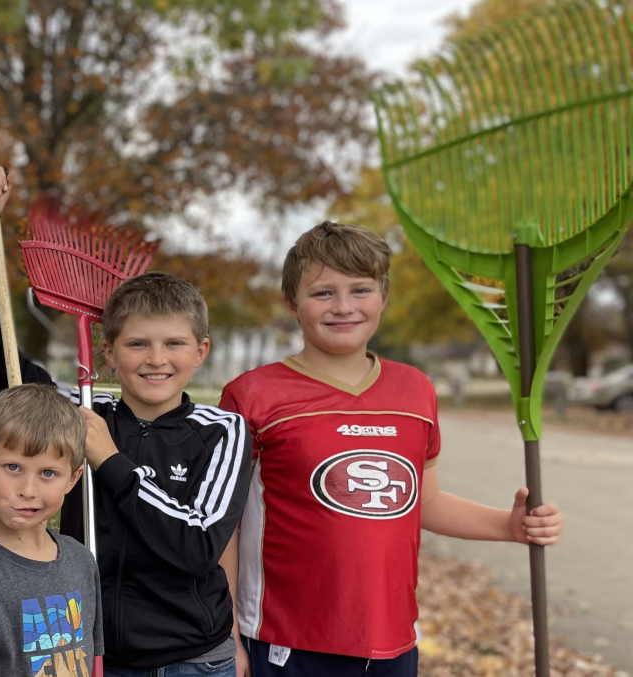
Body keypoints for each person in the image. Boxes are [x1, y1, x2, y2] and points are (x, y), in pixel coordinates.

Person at [219, 221, 566, 676]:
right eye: (323, 293)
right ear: (292, 304)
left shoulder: (415, 390)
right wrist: (225, 635)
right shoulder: (251, 395)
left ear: (383, 297)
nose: (343, 307)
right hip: (286, 641)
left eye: (360, 290)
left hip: (394, 642)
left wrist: (509, 526)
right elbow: (224, 531)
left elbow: (425, 500)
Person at [0, 167, 251, 674]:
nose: (156, 359)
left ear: (200, 351)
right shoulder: (78, 412)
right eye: (138, 344)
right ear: (110, 354)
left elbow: (198, 546)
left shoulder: (221, 430)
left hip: (193, 661)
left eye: (174, 344)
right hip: (92, 656)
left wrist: (110, 461)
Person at [0, 383, 103, 677]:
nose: (28, 490)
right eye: (13, 467)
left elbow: (93, 661)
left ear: (73, 479)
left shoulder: (81, 561)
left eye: (48, 473)